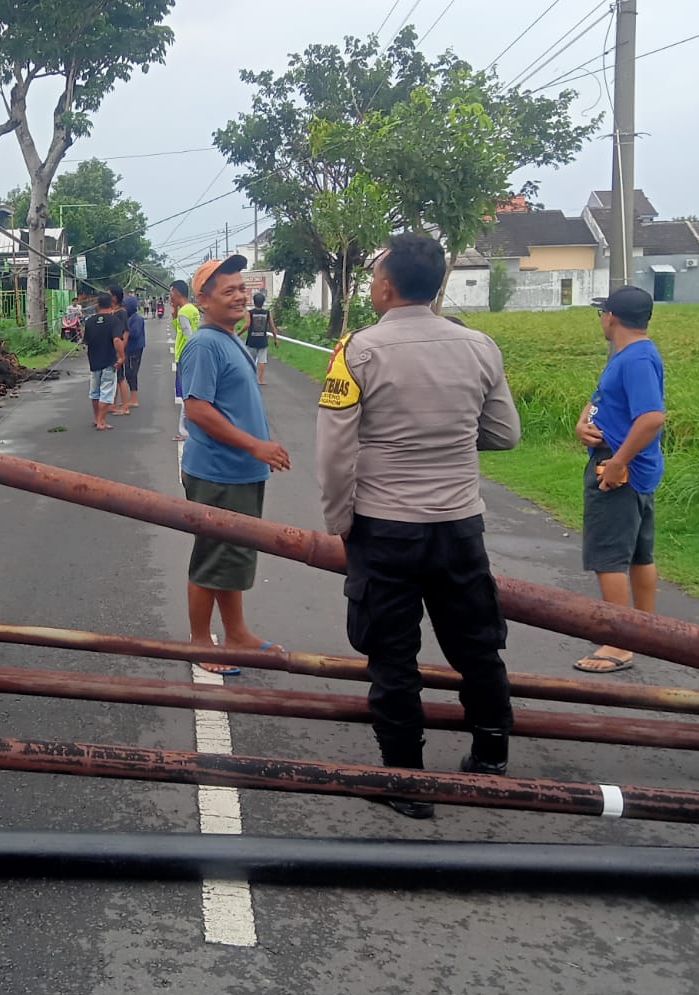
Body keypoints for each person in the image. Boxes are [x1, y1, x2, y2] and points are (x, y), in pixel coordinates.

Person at [315, 233, 521, 820]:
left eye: (375, 275)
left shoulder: (357, 352)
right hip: (459, 525)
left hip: (385, 529)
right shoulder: (480, 347)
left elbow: (335, 453)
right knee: (478, 645)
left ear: (386, 284)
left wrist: (340, 520)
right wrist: (449, 439)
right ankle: (490, 757)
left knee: (392, 655)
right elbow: (505, 433)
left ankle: (406, 781)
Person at [179, 254, 291, 674]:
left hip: (239, 470)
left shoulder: (228, 338)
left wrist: (258, 447)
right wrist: (255, 446)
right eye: (228, 291)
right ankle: (199, 644)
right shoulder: (206, 344)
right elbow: (198, 410)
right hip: (219, 471)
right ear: (203, 300)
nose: (240, 296)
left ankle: (237, 633)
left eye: (241, 288)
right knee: (213, 557)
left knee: (234, 555)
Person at [571, 284, 665, 674]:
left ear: (611, 317)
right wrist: (582, 422)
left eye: (602, 313)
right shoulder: (631, 354)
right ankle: (645, 630)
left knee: (609, 557)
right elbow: (601, 399)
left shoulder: (635, 359)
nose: (601, 319)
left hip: (618, 471)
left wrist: (616, 462)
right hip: (631, 467)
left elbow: (652, 417)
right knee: (640, 553)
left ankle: (620, 643)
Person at [83, 292, 126, 430]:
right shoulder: (114, 321)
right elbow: (117, 340)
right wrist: (121, 356)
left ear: (98, 305)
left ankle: (96, 418)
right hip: (109, 362)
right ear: (112, 304)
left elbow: (87, 342)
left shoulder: (89, 321)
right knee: (106, 392)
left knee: (95, 392)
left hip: (94, 362)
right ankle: (102, 422)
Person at [169, 279, 199, 442]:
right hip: (190, 356)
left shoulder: (184, 312)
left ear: (178, 293)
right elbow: (182, 330)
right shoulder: (191, 309)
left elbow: (188, 336)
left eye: (171, 291)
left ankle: (185, 431)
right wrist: (174, 316)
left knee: (185, 395)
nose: (170, 295)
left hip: (185, 357)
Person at [237, 290, 281, 387]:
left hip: (252, 340)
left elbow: (247, 325)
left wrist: (238, 334)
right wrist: (275, 339)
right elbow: (272, 326)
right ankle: (260, 379)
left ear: (254, 301)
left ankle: (250, 378)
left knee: (250, 360)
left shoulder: (250, 313)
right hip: (263, 340)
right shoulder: (267, 313)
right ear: (263, 302)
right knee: (262, 360)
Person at [117, 300, 146, 414]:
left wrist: (124, 331)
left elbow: (135, 333)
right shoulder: (129, 318)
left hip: (135, 349)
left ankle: (134, 399)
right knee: (128, 372)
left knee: (131, 372)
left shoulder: (136, 318)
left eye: (125, 306)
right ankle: (131, 398)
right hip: (128, 349)